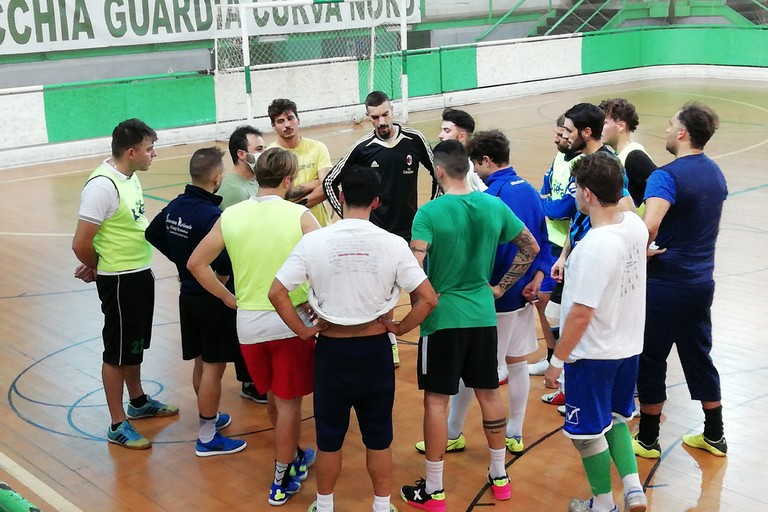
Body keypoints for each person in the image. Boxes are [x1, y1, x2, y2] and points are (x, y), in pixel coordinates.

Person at [269, 167, 438, 512]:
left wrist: (303, 331)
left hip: (332, 353)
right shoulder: (393, 244)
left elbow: (277, 293)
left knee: (329, 439)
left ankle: (326, 506)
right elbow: (429, 298)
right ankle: (380, 506)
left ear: (341, 197)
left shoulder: (314, 241)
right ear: (376, 201)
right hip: (376, 353)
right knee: (379, 438)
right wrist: (401, 328)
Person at [400, 140, 539, 512]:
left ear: (440, 171)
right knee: (489, 394)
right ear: (468, 168)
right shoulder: (494, 205)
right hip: (482, 316)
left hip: (443, 318)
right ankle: (499, 475)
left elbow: (414, 266)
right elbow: (531, 248)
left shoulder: (428, 214)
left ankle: (433, 488)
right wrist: (499, 287)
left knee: (435, 400)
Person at [187, 148, 320, 506]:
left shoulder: (231, 215)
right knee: (290, 403)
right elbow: (324, 266)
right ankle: (282, 478)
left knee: (275, 397)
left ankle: (290, 454)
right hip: (292, 322)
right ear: (289, 180)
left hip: (249, 327)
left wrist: (228, 298)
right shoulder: (301, 216)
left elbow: (196, 263)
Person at [543, 151, 648, 512]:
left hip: (592, 355)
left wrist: (556, 361)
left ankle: (603, 503)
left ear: (587, 193)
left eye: (575, 189)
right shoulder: (635, 226)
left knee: (587, 435)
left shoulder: (594, 248)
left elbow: (580, 315)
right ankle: (634, 489)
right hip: (629, 348)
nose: (573, 195)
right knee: (618, 419)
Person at [72, 118, 178, 450]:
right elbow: (80, 243)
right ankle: (118, 423)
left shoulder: (128, 178)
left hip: (137, 273)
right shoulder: (102, 186)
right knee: (117, 352)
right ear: (132, 152)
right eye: (149, 149)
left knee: (133, 345)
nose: (153, 155)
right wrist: (96, 265)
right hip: (119, 280)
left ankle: (138, 401)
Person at [633, 102, 728, 459]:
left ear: (683, 133)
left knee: (652, 357)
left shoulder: (666, 176)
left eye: (671, 123)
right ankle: (715, 435)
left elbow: (651, 224)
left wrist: (637, 251)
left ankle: (647, 439)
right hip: (701, 283)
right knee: (698, 355)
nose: (667, 128)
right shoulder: (715, 173)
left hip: (664, 285)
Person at [323, 90, 438, 368]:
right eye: (375, 117)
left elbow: (439, 175)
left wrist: (429, 214)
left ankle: (428, 345)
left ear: (392, 110)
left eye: (385, 114)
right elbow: (330, 183)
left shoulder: (414, 139)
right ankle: (390, 345)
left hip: (412, 235)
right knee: (381, 295)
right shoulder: (362, 147)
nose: (381, 121)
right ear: (368, 118)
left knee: (419, 292)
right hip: (378, 237)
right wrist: (353, 221)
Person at [145, 147, 246, 457]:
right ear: (217, 178)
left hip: (188, 297)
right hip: (212, 299)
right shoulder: (214, 216)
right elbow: (228, 262)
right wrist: (221, 281)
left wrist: (183, 262)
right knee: (215, 368)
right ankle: (206, 436)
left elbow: (152, 233)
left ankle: (210, 417)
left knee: (202, 361)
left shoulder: (176, 205)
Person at [543, 103, 635, 412]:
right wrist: (564, 255)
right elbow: (575, 220)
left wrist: (624, 246)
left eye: (569, 131)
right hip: (578, 254)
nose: (564, 137)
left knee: (576, 319)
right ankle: (570, 381)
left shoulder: (605, 166)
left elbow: (626, 207)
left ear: (586, 132)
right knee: (556, 316)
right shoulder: (583, 162)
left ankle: (575, 380)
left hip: (595, 259)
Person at [530, 114, 583, 378]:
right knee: (542, 304)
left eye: (563, 134)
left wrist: (547, 205)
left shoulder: (581, 162)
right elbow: (545, 189)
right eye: (557, 133)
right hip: (549, 243)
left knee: (558, 309)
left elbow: (563, 208)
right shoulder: (559, 158)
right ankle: (552, 358)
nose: (557, 139)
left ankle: (562, 366)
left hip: (566, 246)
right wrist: (548, 205)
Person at [221, 125, 268, 404]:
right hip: (243, 268)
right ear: (242, 154)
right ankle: (249, 380)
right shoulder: (232, 190)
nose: (263, 153)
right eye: (258, 149)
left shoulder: (255, 181)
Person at [268, 98, 334, 226]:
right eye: (280, 121)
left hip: (320, 226)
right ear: (273, 126)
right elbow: (279, 196)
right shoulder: (270, 155)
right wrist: (314, 183)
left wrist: (297, 205)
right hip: (287, 228)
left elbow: (327, 187)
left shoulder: (318, 147)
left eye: (290, 118)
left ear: (298, 120)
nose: (287, 125)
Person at [599, 98, 657, 209]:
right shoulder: (618, 155)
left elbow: (659, 188)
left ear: (621, 126)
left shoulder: (635, 157)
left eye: (604, 123)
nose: (599, 128)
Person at [437, 108, 485, 192]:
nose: (440, 135)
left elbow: (487, 198)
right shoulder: (446, 163)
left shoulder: (473, 166)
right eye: (441, 130)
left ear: (462, 136)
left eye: (447, 131)